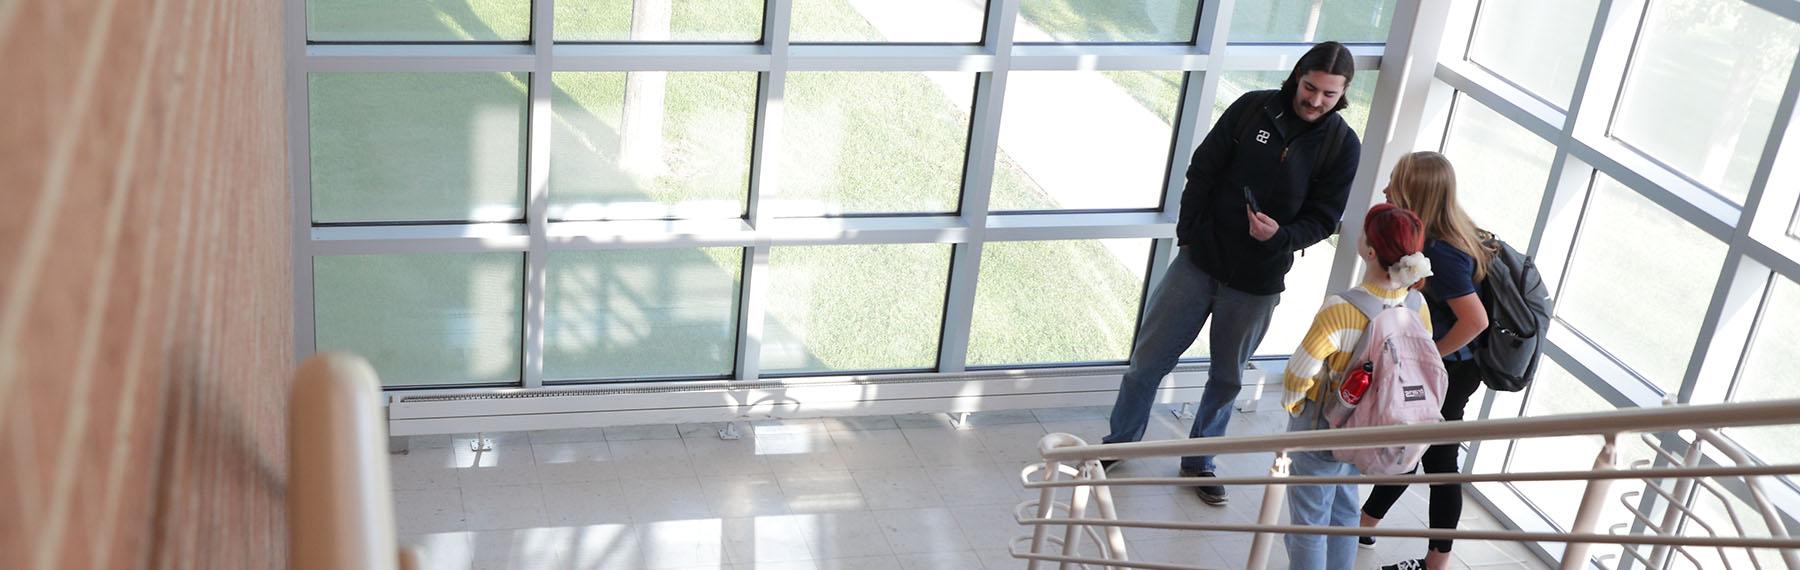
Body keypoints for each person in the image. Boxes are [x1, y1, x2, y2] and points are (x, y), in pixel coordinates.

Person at [1100, 40, 1363, 507]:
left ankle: (1200, 459)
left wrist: (1281, 237)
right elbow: (1201, 171)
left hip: (1258, 282)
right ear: (1297, 76)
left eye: (1328, 94)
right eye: (1310, 88)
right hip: (1199, 263)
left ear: (1342, 93)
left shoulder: (1342, 145)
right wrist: (1188, 236)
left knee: (1227, 377)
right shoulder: (1252, 109)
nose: (1316, 101)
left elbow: (1324, 218)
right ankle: (1118, 443)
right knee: (1148, 361)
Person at [1281, 203, 1435, 570]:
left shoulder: (1340, 308)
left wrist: (1294, 406)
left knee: (1308, 522)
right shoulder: (1417, 304)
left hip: (1325, 425)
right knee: (1345, 511)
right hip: (1374, 427)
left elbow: (1298, 373)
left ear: (1369, 250)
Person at [1358, 152, 1492, 570]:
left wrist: (1429, 357)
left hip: (1452, 370)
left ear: (1414, 192)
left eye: (1394, 182)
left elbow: (1476, 321)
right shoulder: (1449, 233)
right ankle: (1364, 523)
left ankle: (1437, 562)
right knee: (1412, 446)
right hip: (1451, 367)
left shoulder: (1443, 251)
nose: (1385, 189)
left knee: (1438, 461)